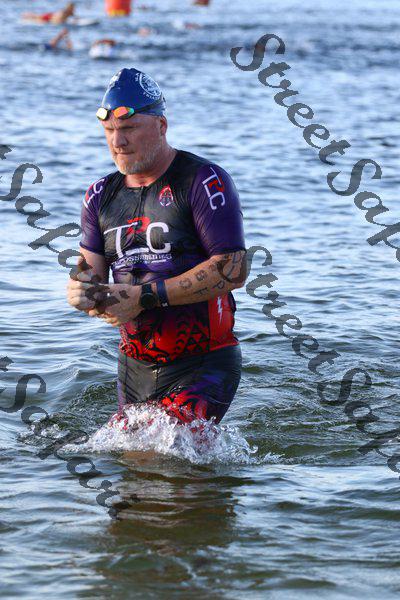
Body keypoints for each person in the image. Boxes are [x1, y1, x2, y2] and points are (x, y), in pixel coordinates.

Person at [67, 68, 247, 427]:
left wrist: (144, 297)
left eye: (129, 128)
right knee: (124, 459)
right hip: (133, 367)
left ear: (161, 126)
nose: (118, 142)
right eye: (109, 131)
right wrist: (82, 291)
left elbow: (233, 269)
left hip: (204, 362)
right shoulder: (100, 195)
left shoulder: (202, 180)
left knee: (159, 452)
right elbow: (89, 273)